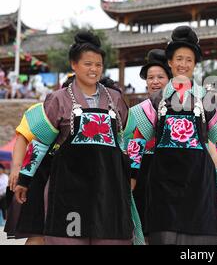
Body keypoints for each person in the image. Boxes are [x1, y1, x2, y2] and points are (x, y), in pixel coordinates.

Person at [13, 31, 137, 245]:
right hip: (69, 187)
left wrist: (132, 173)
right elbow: (41, 143)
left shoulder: (115, 98)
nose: (94, 69)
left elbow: (126, 140)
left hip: (109, 186)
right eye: (88, 64)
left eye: (98, 65)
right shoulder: (57, 99)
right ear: (74, 65)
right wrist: (25, 179)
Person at [127, 25, 217, 245]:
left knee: (199, 232)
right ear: (170, 62)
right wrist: (133, 175)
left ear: (194, 64)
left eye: (189, 60)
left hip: (199, 179)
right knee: (164, 231)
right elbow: (138, 138)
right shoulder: (156, 100)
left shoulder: (207, 98)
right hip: (163, 180)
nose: (183, 64)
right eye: (179, 59)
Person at [127, 49, 172, 241]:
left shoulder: (184, 108)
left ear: (170, 79)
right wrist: (131, 175)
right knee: (145, 225)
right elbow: (132, 145)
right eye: (150, 77)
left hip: (173, 169)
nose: (155, 81)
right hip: (143, 172)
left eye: (160, 76)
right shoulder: (137, 111)